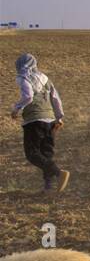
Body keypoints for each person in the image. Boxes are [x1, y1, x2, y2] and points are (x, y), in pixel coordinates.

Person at [10, 53, 70, 192]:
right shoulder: (45, 78)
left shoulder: (23, 78)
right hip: (50, 121)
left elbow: (28, 96)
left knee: (32, 153)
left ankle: (59, 173)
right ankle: (48, 187)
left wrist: (16, 109)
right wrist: (59, 118)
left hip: (34, 121)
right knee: (46, 154)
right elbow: (56, 98)